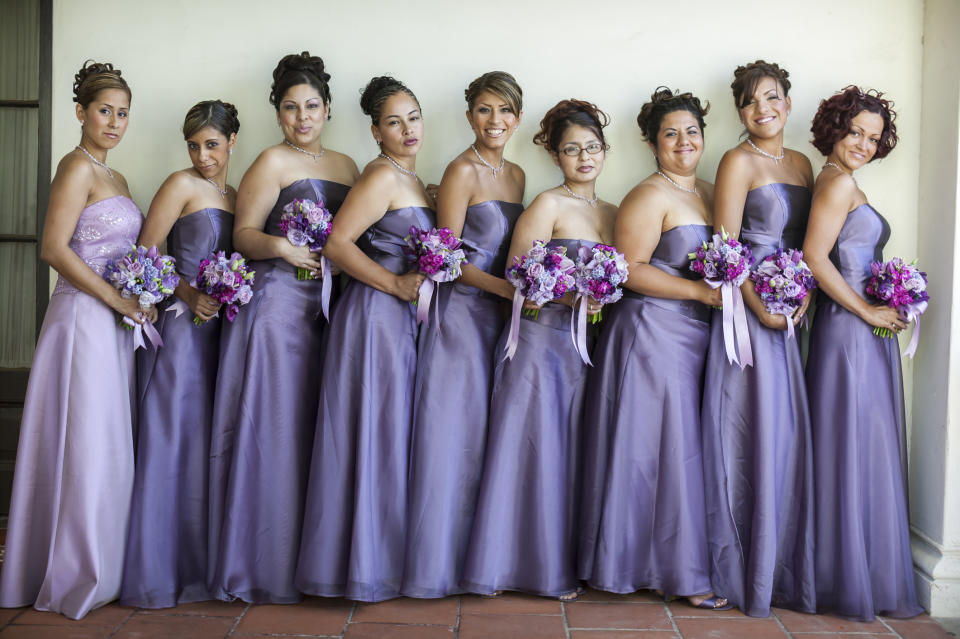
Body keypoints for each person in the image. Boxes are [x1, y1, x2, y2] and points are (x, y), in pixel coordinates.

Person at [0, 61, 150, 619]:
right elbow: (54, 249)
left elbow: (125, 255)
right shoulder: (75, 168)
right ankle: (70, 569)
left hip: (113, 325)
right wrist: (114, 299)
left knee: (105, 438)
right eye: (104, 111)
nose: (114, 122)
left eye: (122, 113)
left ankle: (101, 564)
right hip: (81, 321)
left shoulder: (120, 180)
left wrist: (142, 290)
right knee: (80, 436)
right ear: (81, 113)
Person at [207, 52, 357, 604]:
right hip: (275, 312)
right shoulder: (269, 163)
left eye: (311, 106)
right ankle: (261, 564)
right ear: (277, 113)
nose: (302, 117)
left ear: (327, 110)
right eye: (291, 108)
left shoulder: (348, 167)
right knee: (274, 428)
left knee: (317, 432)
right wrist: (283, 248)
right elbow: (243, 235)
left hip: (329, 312)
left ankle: (312, 560)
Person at [578, 88, 728, 610]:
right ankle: (665, 571)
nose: (683, 141)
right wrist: (698, 292)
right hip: (652, 333)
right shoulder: (648, 195)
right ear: (652, 142)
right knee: (656, 453)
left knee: (684, 452)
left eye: (691, 131)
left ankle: (675, 562)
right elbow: (631, 270)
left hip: (697, 336)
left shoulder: (712, 190)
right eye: (671, 133)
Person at [462, 99, 616, 600]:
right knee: (534, 445)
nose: (584, 157)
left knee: (571, 446)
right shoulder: (547, 205)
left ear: (605, 150)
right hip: (538, 340)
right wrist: (568, 293)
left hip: (584, 346)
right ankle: (518, 565)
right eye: (572, 149)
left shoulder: (613, 213)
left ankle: (564, 559)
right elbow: (517, 273)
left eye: (592, 147)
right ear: (557, 156)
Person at [296, 76, 433, 603]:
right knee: (372, 433)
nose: (407, 129)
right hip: (374, 316)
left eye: (413, 117)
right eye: (394, 122)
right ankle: (361, 566)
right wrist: (396, 282)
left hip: (398, 320)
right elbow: (336, 244)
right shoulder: (380, 175)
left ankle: (381, 558)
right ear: (376, 132)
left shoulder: (413, 178)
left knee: (389, 433)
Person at [700, 59, 817, 617]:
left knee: (783, 436)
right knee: (746, 434)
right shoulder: (736, 161)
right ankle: (735, 566)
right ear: (740, 112)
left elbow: (811, 246)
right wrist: (757, 309)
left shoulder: (802, 164)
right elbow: (727, 250)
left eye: (771, 98)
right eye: (749, 102)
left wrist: (801, 298)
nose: (762, 110)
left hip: (789, 314)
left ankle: (779, 564)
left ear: (787, 103)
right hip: (747, 316)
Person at [402, 71, 525, 598]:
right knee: (450, 436)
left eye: (504, 111)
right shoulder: (460, 171)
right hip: (461, 316)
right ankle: (436, 566)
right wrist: (507, 291)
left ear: (518, 116)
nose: (494, 121)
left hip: (502, 318)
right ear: (469, 115)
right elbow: (447, 260)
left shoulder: (518, 175)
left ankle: (483, 559)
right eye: (483, 110)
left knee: (487, 439)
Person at [803, 86, 923, 621]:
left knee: (858, 442)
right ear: (835, 129)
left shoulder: (836, 180)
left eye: (873, 138)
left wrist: (892, 291)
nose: (863, 144)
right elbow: (814, 258)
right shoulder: (836, 182)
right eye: (856, 132)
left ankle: (856, 570)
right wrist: (869, 311)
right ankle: (845, 576)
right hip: (849, 330)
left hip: (855, 327)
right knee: (850, 440)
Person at [121, 100, 240, 608]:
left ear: (233, 141)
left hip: (224, 335)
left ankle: (203, 567)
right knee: (173, 442)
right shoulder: (179, 184)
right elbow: (145, 255)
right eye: (194, 145)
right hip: (183, 332)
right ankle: (157, 574)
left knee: (209, 447)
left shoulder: (236, 194)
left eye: (212, 144)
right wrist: (188, 293)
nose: (202, 156)